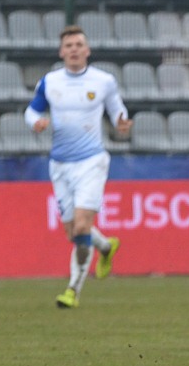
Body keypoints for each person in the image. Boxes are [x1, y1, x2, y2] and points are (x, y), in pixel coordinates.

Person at [24, 24, 132, 309]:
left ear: (87, 50)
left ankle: (72, 290)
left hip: (92, 161)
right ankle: (106, 247)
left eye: (78, 45)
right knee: (74, 232)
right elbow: (32, 110)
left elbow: (117, 109)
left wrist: (122, 121)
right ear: (62, 52)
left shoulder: (103, 81)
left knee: (83, 225)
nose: (73, 49)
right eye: (68, 45)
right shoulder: (49, 82)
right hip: (60, 164)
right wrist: (35, 122)